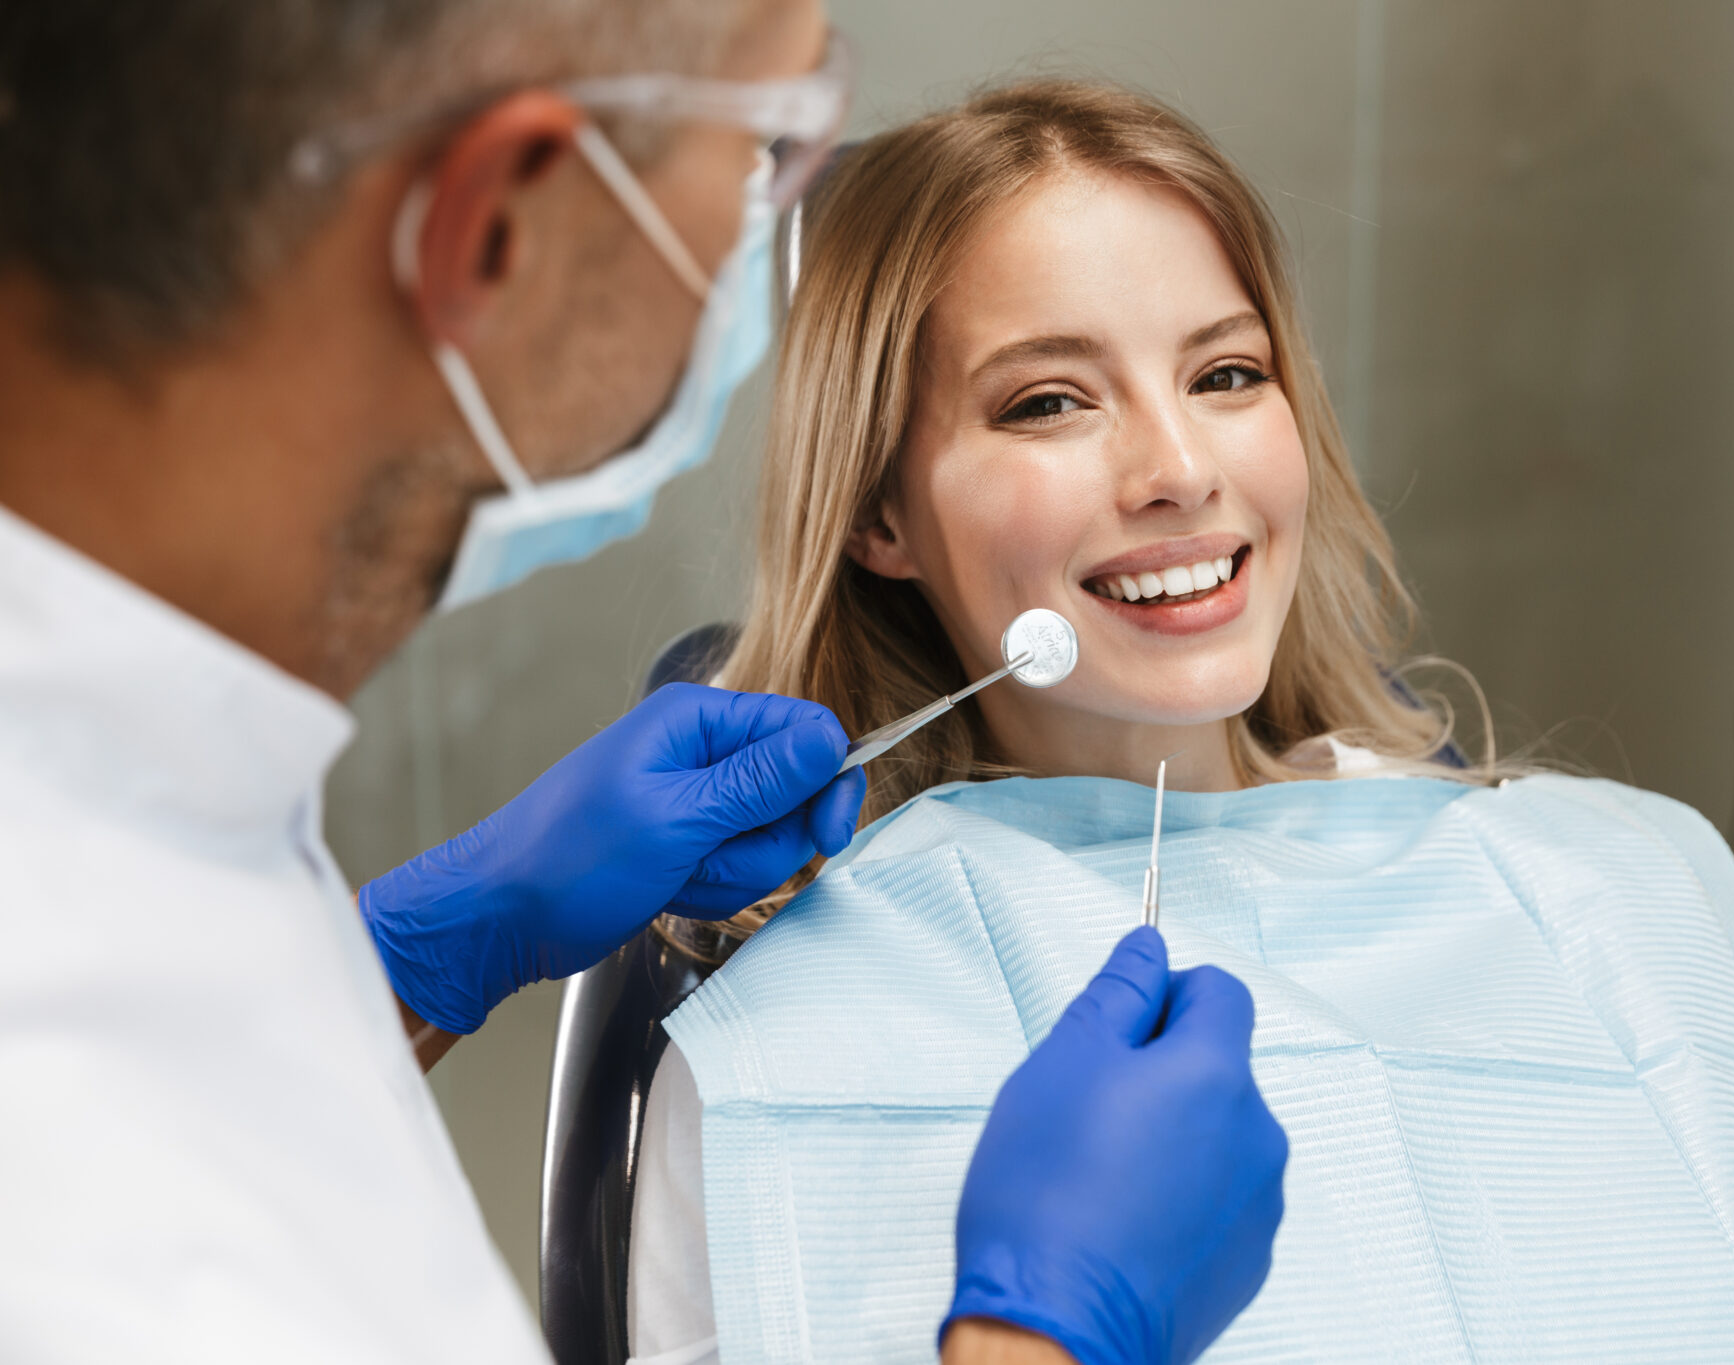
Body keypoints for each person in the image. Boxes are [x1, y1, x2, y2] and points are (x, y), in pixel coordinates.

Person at [0, 7, 1286, 1364]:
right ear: (501, 228)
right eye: (766, 155)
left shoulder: (122, 826)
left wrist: (400, 960)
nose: (1178, 470)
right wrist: (1049, 1340)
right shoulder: (124, 1266)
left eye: (1230, 372)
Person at [625, 80, 1734, 1363]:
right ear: (878, 516)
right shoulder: (789, 1039)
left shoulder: (1620, 888)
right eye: (1049, 400)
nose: (1183, 469)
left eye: (1228, 373)